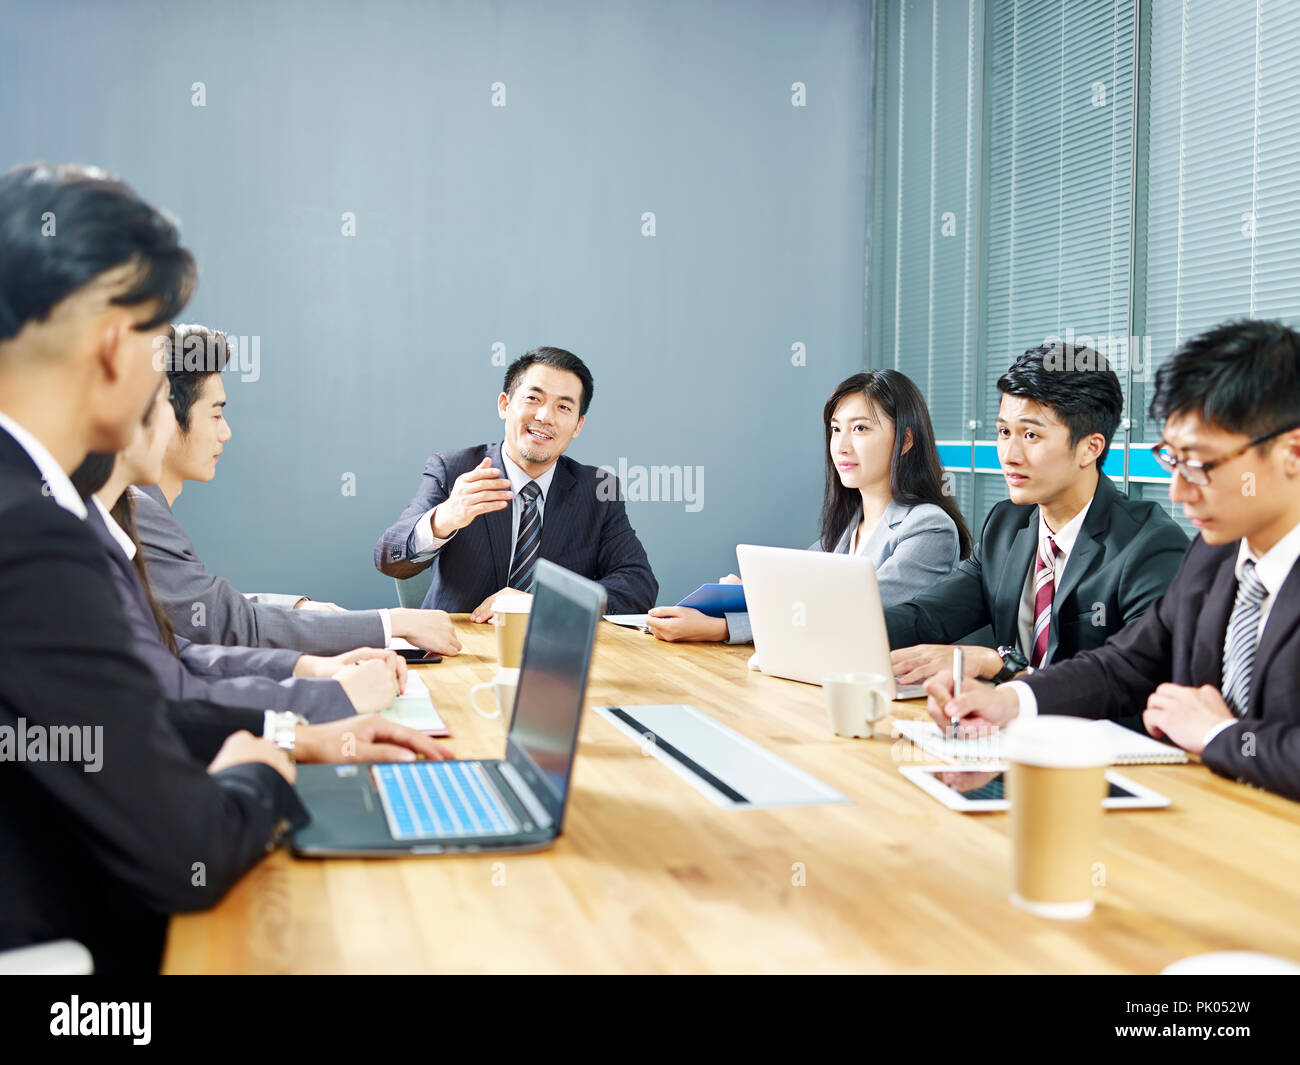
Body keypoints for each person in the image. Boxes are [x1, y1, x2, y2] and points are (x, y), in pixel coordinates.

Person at [0, 163, 444, 973]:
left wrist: (291, 733)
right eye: (157, 345)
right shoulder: (32, 536)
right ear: (112, 346)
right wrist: (262, 772)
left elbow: (103, 726)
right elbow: (184, 846)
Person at [924, 319, 1300, 802]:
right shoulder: (1214, 557)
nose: (1179, 490)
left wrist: (1217, 736)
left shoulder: (1160, 543)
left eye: (1202, 463)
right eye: (1174, 460)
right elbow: (1125, 665)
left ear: (1291, 453)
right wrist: (1008, 701)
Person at [72, 381, 409, 722]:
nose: (227, 432)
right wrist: (328, 697)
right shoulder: (108, 524)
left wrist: (310, 668)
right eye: (160, 406)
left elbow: (174, 651)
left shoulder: (106, 521)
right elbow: (183, 674)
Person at [134, 323, 462, 656]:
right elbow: (219, 622)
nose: (226, 433)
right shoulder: (139, 511)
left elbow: (203, 607)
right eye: (216, 415)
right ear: (165, 417)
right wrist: (389, 624)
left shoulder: (145, 508)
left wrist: (296, 609)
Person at [886, 343, 1188, 686]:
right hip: (1004, 729)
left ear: (1091, 447)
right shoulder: (1005, 525)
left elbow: (1136, 682)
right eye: (1004, 432)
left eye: (1031, 435)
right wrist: (835, 625)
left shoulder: (1148, 545)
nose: (1010, 455)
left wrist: (999, 665)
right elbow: (928, 617)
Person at [646, 369, 972, 643]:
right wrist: (748, 591)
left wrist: (723, 629)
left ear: (907, 441)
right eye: (835, 429)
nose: (841, 446)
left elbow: (850, 609)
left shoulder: (930, 527)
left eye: (860, 428)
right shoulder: (847, 526)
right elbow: (798, 592)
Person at [375, 345, 658, 619]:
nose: (545, 416)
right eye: (533, 399)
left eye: (563, 407)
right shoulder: (453, 470)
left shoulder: (598, 490)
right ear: (504, 405)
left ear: (578, 426)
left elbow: (638, 585)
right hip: (457, 648)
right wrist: (444, 518)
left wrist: (544, 603)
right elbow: (388, 557)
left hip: (552, 652)